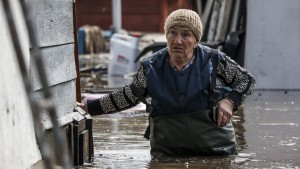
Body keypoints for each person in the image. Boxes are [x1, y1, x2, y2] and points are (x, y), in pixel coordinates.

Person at [78, 9, 256, 156]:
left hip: (215, 151)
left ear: (196, 41)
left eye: (186, 35)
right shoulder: (151, 66)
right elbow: (128, 97)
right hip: (167, 152)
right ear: (167, 36)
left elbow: (246, 80)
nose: (178, 41)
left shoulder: (215, 60)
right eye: (173, 33)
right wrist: (89, 108)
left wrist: (230, 101)